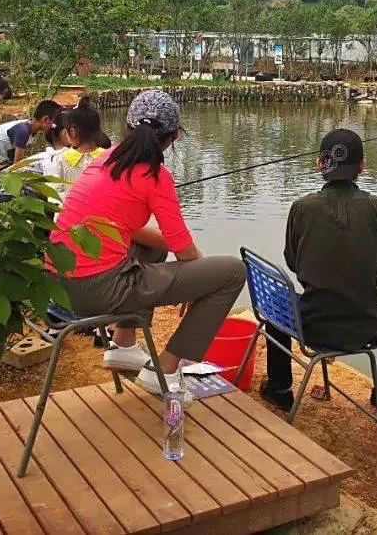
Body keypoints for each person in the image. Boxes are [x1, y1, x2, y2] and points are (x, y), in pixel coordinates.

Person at [47, 89, 245, 400]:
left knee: (155, 246)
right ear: (174, 136)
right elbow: (184, 250)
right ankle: (164, 370)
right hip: (95, 289)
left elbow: (142, 232)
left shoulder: (107, 159)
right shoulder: (155, 175)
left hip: (58, 282)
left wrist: (192, 266)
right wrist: (200, 274)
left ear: (127, 126)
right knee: (232, 272)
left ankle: (124, 344)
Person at [261, 127, 377, 412]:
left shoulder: (301, 208)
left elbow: (293, 262)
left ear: (320, 164)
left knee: (275, 302)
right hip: (365, 328)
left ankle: (280, 389)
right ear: (362, 165)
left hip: (309, 325)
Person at [0, 110, 71, 203]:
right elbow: (55, 189)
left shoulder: (49, 154)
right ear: (65, 133)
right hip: (2, 192)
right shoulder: (57, 157)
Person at [0, 99, 61, 172]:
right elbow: (17, 165)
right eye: (54, 123)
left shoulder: (29, 127)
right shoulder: (23, 131)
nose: (55, 126)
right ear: (45, 119)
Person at [54, 97, 107, 202]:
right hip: (101, 211)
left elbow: (57, 190)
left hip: (73, 209)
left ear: (72, 132)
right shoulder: (107, 158)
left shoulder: (64, 159)